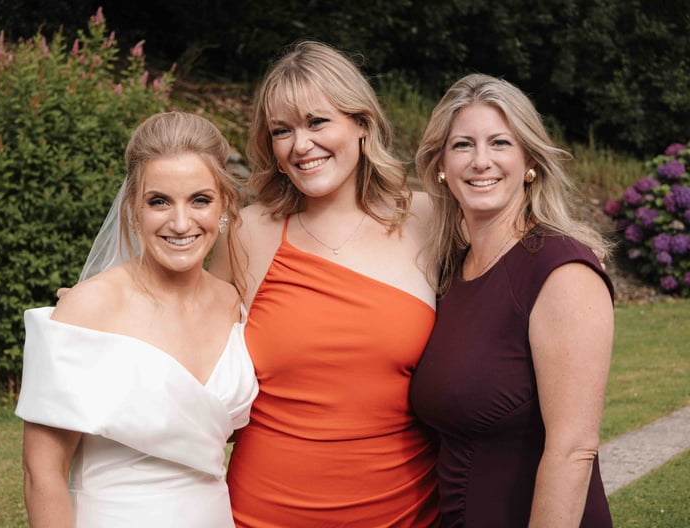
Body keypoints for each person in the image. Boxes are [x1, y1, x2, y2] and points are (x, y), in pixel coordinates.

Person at [209, 40, 440, 527]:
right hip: (261, 511)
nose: (300, 145)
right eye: (282, 130)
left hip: (405, 512)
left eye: (317, 122)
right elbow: (186, 339)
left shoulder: (427, 218)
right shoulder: (245, 233)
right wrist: (98, 306)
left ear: (362, 124)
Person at [15, 111, 258, 527]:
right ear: (132, 209)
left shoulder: (233, 304)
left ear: (224, 203)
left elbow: (206, 431)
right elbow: (42, 474)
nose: (180, 223)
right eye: (158, 201)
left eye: (200, 200)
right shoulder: (87, 309)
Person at [410, 73, 614, 527]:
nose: (481, 161)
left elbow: (573, 450)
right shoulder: (449, 271)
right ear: (441, 165)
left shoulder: (562, 271)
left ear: (529, 161)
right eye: (463, 145)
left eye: (500, 143)